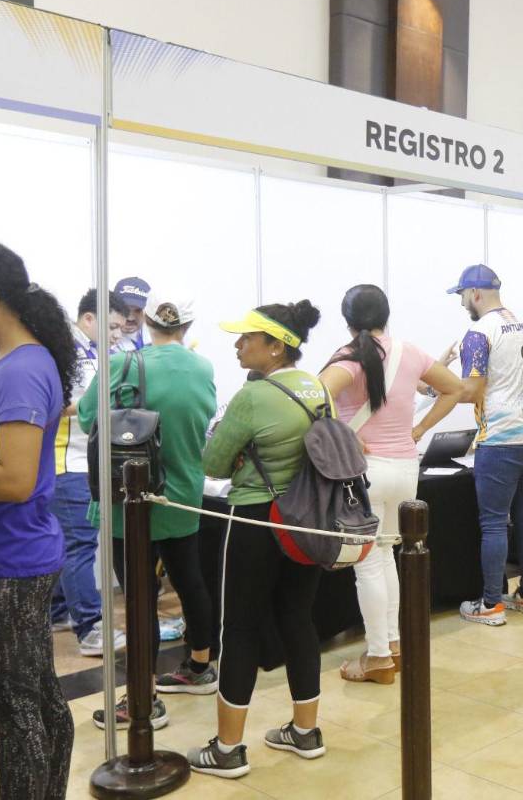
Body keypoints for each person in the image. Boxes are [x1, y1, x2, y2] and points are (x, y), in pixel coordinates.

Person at [188, 299, 327, 778]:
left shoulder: (252, 396)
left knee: (240, 627)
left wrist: (243, 454)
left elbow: (212, 465)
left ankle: (228, 749)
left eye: (248, 338)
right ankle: (305, 732)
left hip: (255, 521)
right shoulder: (316, 387)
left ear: (275, 346)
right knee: (297, 619)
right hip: (308, 521)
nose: (238, 345)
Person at [82, 289, 219, 729]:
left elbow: (88, 418)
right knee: (190, 581)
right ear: (187, 327)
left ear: (145, 322)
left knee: (139, 596)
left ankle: (144, 697)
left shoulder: (122, 364)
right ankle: (200, 667)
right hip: (183, 495)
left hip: (132, 502)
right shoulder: (203, 367)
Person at [318, 285, 462, 685]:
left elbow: (314, 394)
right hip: (404, 467)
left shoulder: (348, 358)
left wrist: (344, 432)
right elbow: (456, 389)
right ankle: (392, 644)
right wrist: (419, 429)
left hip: (366, 471)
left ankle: (379, 657)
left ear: (347, 321)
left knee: (368, 564)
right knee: (387, 556)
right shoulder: (410, 352)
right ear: (386, 314)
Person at [0, 245, 78, 800]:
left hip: (12, 562)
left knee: (16, 704)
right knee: (38, 694)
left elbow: (15, 479)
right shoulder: (25, 362)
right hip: (23, 554)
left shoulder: (22, 370)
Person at [449, 265, 523, 626]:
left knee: (493, 524)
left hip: (501, 441)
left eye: (462, 295)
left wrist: (432, 387)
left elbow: (471, 390)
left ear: (475, 293)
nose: (462, 304)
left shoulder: (478, 332)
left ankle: (491, 603)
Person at [49, 289, 129, 657]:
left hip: (90, 462)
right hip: (69, 464)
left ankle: (59, 611)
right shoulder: (68, 354)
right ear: (88, 319)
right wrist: (96, 404)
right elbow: (59, 405)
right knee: (80, 546)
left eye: (120, 328)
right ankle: (90, 628)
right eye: (111, 326)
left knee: (70, 544)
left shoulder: (103, 354)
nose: (116, 334)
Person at [113, 275, 151, 352]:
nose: (130, 318)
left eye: (138, 310)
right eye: (125, 309)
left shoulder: (159, 333)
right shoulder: (101, 340)